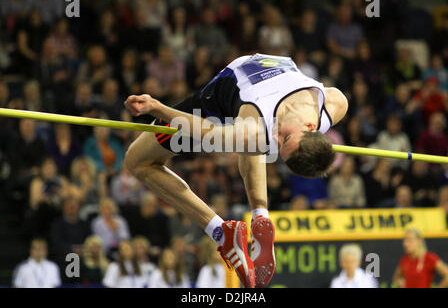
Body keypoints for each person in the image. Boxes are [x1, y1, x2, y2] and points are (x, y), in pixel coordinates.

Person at [124, 53, 348, 287]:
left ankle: (222, 231)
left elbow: (205, 130)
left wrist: (157, 107)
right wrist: (158, 108)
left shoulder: (256, 133)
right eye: (286, 137)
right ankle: (254, 219)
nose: (277, 137)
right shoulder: (335, 104)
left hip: (224, 100)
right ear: (312, 126)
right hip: (248, 99)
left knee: (137, 161)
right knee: (255, 142)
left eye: (281, 145)